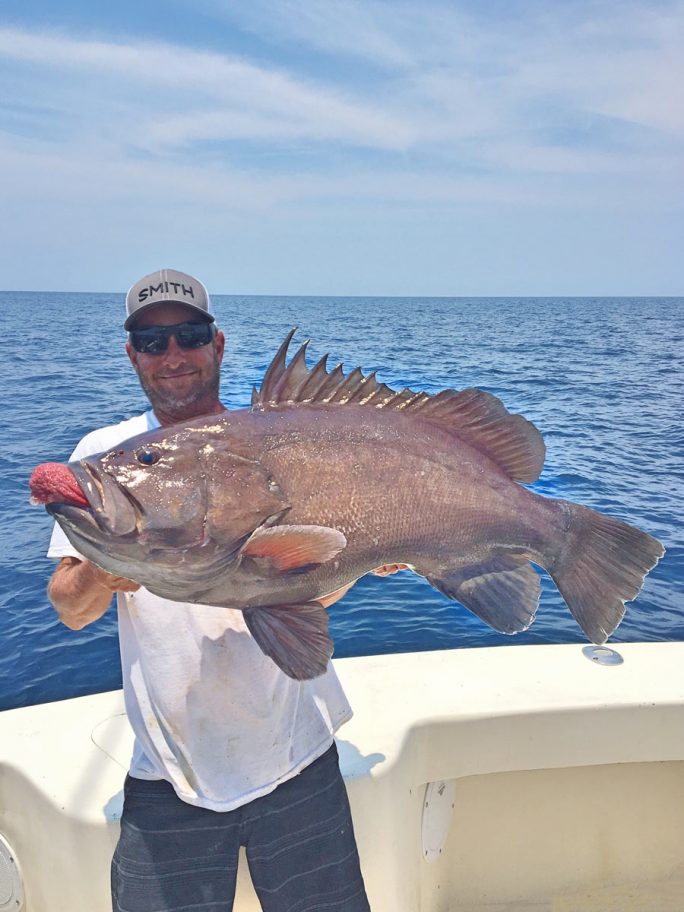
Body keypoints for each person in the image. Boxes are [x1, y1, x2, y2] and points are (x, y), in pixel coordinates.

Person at [47, 268, 403, 912]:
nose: (173, 355)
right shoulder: (105, 455)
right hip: (169, 774)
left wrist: (371, 550)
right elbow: (70, 609)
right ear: (132, 356)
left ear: (218, 344)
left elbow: (309, 595)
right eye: (153, 343)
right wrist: (101, 571)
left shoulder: (286, 439)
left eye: (188, 335)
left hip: (299, 754)